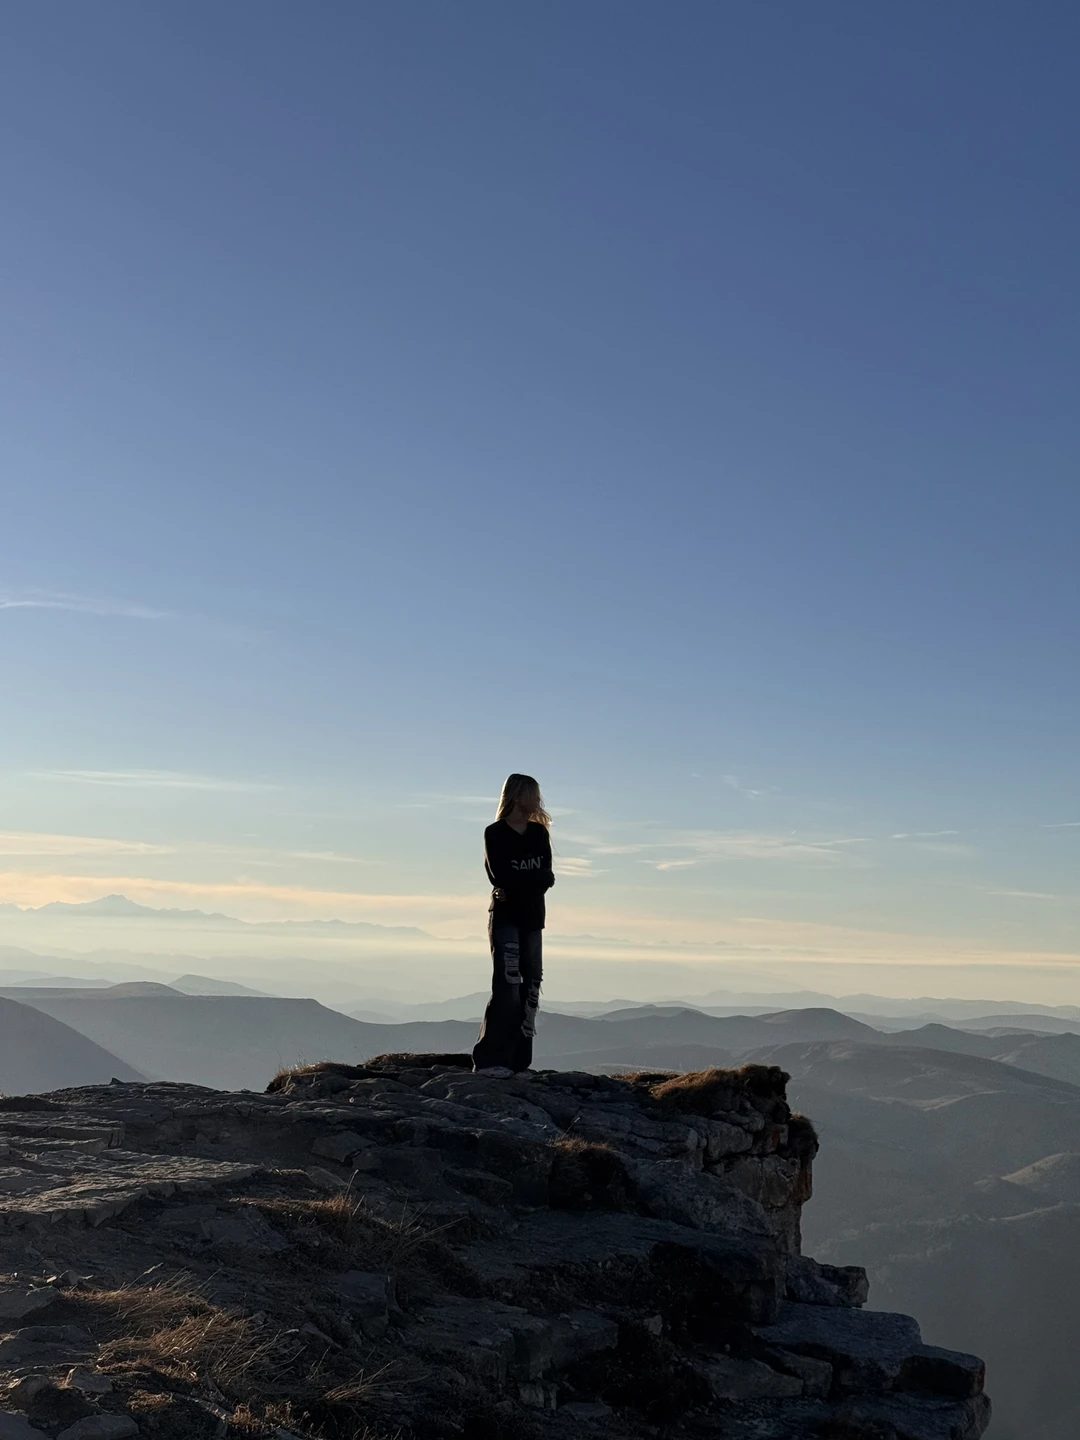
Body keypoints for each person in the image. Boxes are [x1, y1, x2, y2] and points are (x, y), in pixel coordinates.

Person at [472, 773, 555, 1076]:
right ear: (519, 797)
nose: (538, 801)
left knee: (530, 986)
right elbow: (499, 876)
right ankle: (490, 1061)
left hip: (532, 919)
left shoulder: (538, 834)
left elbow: (547, 877)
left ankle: (519, 1062)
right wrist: (527, 882)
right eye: (534, 794)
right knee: (507, 987)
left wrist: (517, 884)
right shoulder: (495, 833)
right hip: (507, 919)